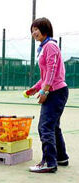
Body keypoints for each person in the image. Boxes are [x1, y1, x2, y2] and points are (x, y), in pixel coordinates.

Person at [27, 17, 69, 173]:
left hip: (55, 92)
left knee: (45, 127)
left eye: (36, 29)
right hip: (55, 90)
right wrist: (35, 88)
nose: (34, 33)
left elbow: (52, 70)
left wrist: (44, 90)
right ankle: (61, 157)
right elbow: (45, 74)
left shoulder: (50, 46)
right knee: (53, 126)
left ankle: (49, 162)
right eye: (32, 31)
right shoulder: (45, 47)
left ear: (45, 29)